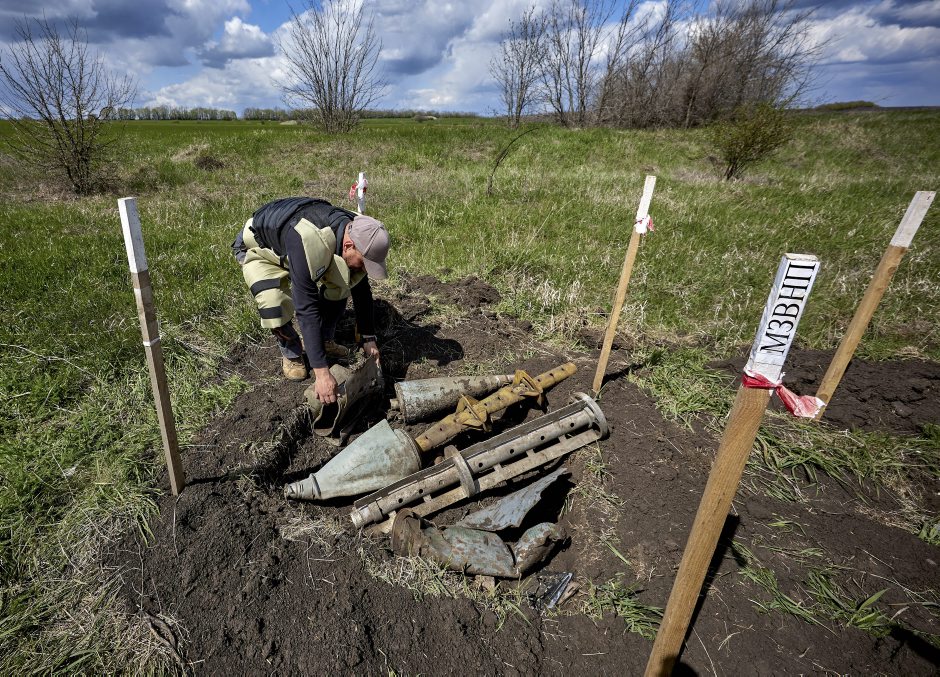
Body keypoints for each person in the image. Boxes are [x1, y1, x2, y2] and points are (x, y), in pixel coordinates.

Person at [232, 197, 390, 404]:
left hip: (292, 239)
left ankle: (324, 340)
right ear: (348, 245)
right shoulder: (306, 239)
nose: (364, 268)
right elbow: (306, 307)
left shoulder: (359, 229)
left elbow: (361, 287)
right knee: (273, 302)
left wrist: (369, 338)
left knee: (344, 279)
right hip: (260, 246)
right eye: (363, 262)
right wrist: (321, 372)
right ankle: (291, 351)